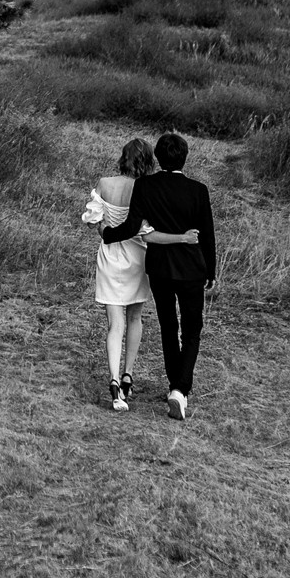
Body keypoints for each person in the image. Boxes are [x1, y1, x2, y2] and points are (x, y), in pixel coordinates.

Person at [100, 130, 215, 418]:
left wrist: (105, 233)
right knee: (191, 329)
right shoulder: (198, 191)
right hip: (191, 269)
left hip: (160, 268)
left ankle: (174, 382)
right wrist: (211, 269)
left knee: (167, 326)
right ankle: (180, 388)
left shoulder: (146, 186)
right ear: (185, 158)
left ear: (158, 158)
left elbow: (131, 226)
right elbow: (207, 235)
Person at [81, 137, 158, 410]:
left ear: (123, 157)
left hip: (111, 255)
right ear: (148, 160)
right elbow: (149, 227)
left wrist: (104, 229)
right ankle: (128, 375)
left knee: (115, 324)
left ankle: (113, 380)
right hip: (138, 257)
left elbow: (92, 218)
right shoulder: (147, 188)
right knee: (135, 317)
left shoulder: (105, 183)